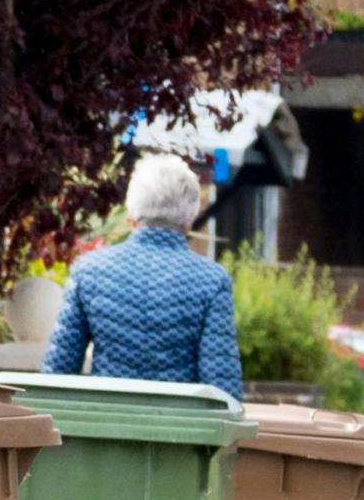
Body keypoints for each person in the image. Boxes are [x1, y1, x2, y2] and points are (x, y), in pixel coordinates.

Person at [46, 154, 242, 396]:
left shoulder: (87, 271)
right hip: (182, 430)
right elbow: (222, 389)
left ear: (132, 214)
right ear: (190, 220)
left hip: (104, 426)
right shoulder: (212, 281)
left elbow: (56, 375)